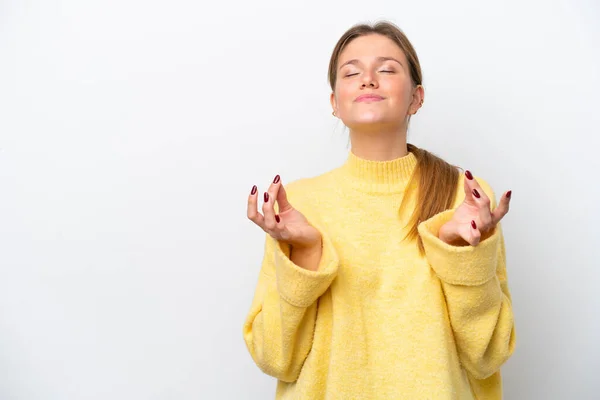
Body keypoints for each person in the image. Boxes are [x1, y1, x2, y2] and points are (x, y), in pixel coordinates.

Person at [243, 20, 516, 400]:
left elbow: (488, 355)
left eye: (386, 69)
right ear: (335, 103)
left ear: (416, 98)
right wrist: (306, 252)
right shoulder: (297, 205)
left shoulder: (465, 197)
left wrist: (459, 255)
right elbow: (276, 358)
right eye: (351, 73)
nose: (368, 80)